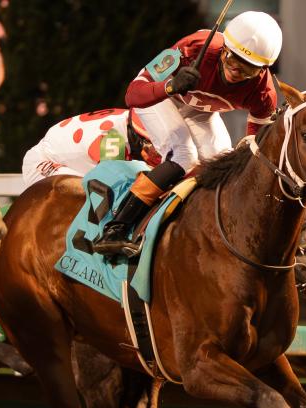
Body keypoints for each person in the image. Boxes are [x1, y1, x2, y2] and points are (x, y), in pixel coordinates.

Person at [92, 11, 282, 257]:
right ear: (223, 47)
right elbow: (132, 94)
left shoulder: (264, 94)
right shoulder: (195, 49)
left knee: (223, 166)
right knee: (184, 154)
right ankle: (115, 228)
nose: (236, 70)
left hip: (199, 110)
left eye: (248, 69)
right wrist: (169, 86)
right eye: (232, 59)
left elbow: (254, 145)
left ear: (262, 71)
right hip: (164, 99)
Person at [21, 108, 162, 188]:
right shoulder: (112, 139)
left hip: (68, 155)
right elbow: (113, 184)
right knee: (82, 194)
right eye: (155, 146)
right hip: (41, 162)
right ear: (138, 138)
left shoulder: (132, 118)